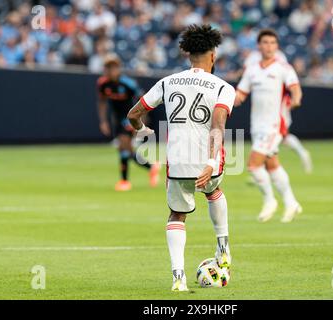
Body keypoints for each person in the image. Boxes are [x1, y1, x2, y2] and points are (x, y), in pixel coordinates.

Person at [127, 24, 235, 291]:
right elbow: (217, 126)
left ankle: (178, 279)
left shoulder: (167, 82)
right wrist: (211, 162)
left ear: (188, 56)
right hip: (206, 160)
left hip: (177, 162)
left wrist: (142, 130)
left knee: (176, 215)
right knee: (214, 191)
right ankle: (223, 248)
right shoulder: (223, 88)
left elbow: (132, 114)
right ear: (213, 56)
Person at [235, 29, 303, 223]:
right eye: (265, 42)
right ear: (259, 45)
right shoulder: (252, 69)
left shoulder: (283, 68)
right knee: (272, 165)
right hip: (257, 125)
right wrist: (225, 100)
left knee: (253, 165)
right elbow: (241, 94)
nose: (269, 46)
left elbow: (295, 88)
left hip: (275, 124)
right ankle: (291, 202)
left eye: (273, 43)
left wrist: (296, 99)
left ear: (277, 46)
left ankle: (269, 200)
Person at [245, 43, 313, 174]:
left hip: (278, 101)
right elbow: (246, 74)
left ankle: (262, 164)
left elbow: (287, 78)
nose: (267, 46)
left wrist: (294, 96)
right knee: (270, 135)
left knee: (280, 132)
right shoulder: (254, 57)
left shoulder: (279, 57)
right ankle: (264, 164)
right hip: (261, 100)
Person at [97, 54, 160, 191]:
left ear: (118, 68)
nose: (111, 70)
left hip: (129, 119)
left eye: (113, 67)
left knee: (123, 145)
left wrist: (141, 119)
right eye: (108, 67)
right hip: (116, 120)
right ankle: (151, 167)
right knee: (126, 152)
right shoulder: (103, 84)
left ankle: (124, 182)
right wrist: (103, 121)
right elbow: (101, 102)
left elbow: (143, 100)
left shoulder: (128, 83)